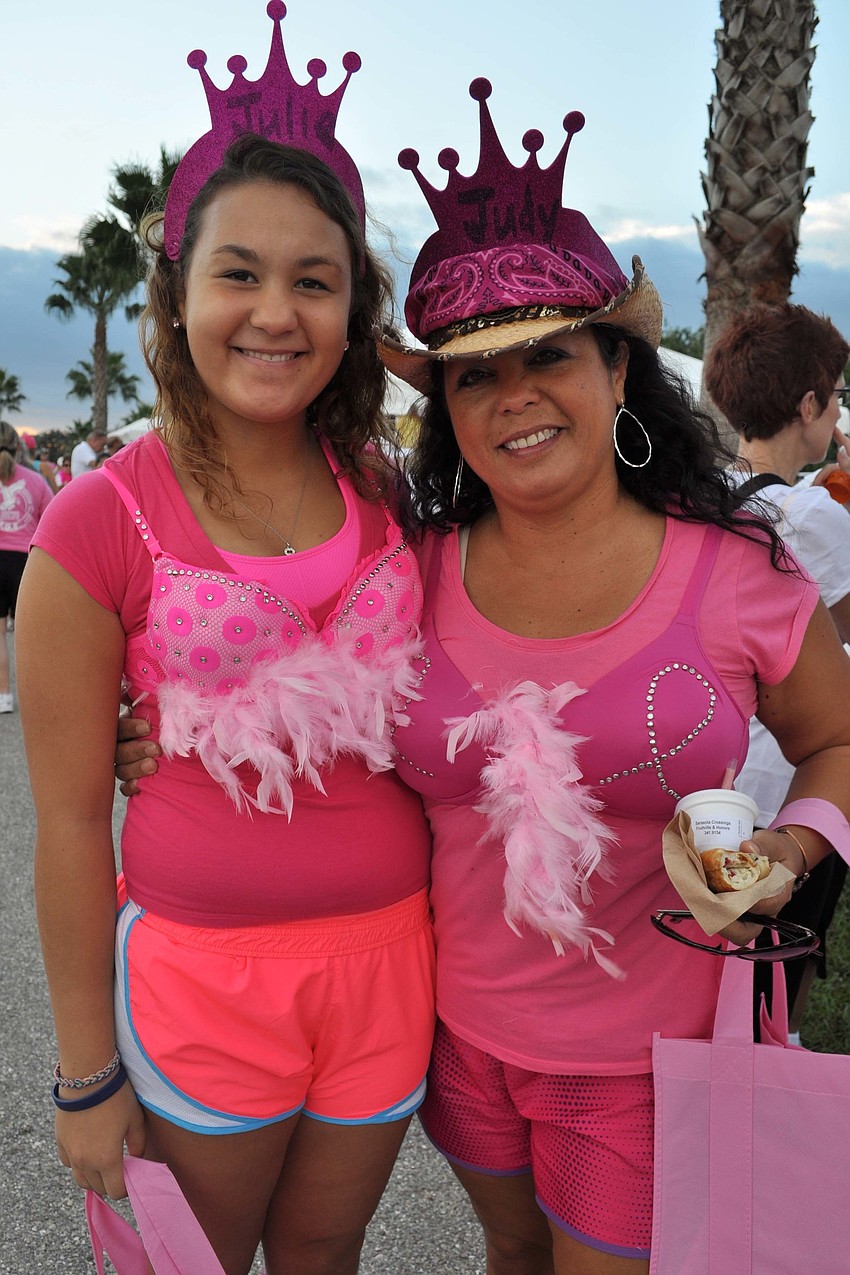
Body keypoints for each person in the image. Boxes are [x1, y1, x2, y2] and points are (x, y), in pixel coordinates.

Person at [372, 84, 850, 1272]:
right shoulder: (406, 573)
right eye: (475, 374)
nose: (515, 394)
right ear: (444, 409)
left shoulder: (736, 575)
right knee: (510, 1258)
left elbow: (841, 743)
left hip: (653, 1058)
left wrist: (791, 854)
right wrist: (143, 733)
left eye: (550, 355)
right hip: (454, 1043)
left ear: (621, 371)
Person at [16, 11, 434, 1275]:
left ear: (353, 306)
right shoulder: (98, 521)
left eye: (315, 280)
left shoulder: (396, 494)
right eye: (238, 274)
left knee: (326, 1258)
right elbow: (71, 823)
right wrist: (85, 1074)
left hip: (388, 968)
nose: (274, 313)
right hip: (202, 987)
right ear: (178, 291)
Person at [704, 302, 850, 1033]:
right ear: (809, 405)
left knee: (720, 972)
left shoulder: (712, 498)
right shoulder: (815, 517)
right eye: (837, 396)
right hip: (794, 793)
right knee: (775, 983)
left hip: (721, 783)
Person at [0, 422, 52, 711]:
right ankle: (37, 704)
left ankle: (4, 696)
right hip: (26, 562)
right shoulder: (34, 481)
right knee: (30, 637)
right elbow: (52, 521)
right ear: (18, 447)